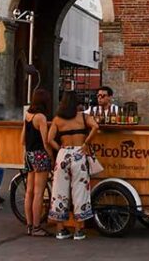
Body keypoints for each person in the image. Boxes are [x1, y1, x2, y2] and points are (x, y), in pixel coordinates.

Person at [47, 91, 98, 240]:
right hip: (79, 153)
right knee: (80, 191)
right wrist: (86, 143)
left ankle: (60, 230)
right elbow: (95, 126)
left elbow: (49, 139)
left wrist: (60, 149)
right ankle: (78, 230)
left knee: (59, 191)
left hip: (63, 154)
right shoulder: (83, 117)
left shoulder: (57, 119)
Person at [21, 87, 53, 237]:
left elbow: (22, 139)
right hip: (40, 155)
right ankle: (36, 226)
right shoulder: (41, 117)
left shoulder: (28, 115)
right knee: (39, 193)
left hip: (29, 154)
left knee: (29, 192)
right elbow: (46, 142)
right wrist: (51, 157)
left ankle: (28, 225)